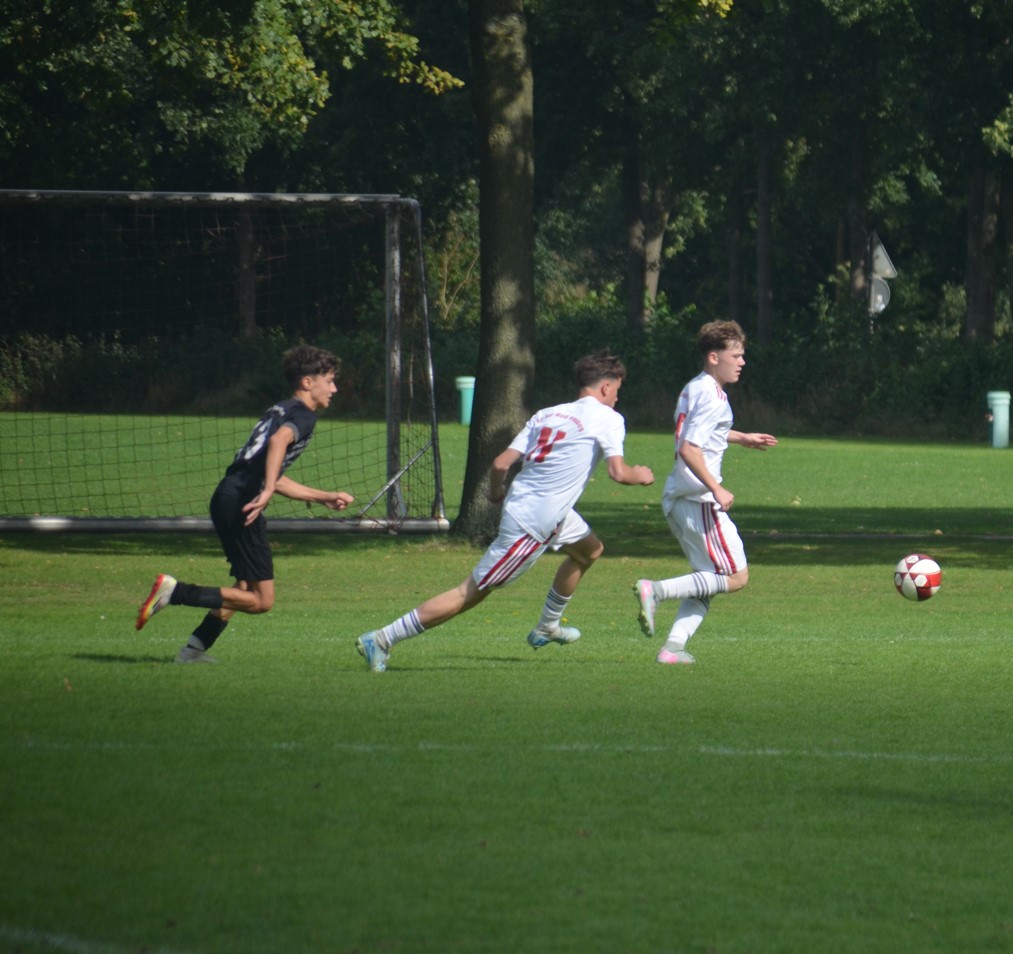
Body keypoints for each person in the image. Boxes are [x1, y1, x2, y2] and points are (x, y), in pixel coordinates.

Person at [356, 350, 655, 672]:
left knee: (589, 550)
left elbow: (500, 464)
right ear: (606, 387)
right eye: (617, 390)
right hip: (535, 522)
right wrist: (640, 475)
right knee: (471, 592)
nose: (617, 398)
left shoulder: (547, 414)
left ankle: (547, 626)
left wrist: (495, 490)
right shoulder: (609, 418)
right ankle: (382, 638)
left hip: (534, 506)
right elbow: (618, 473)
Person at [135, 345, 355, 663]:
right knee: (261, 600)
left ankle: (194, 650)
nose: (334, 389)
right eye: (330, 381)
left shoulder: (279, 409)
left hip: (227, 497)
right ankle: (176, 591)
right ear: (308, 382)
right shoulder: (304, 416)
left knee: (242, 586)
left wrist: (323, 496)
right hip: (242, 503)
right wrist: (266, 491)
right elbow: (278, 444)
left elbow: (271, 474)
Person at [634, 320, 777, 664]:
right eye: (736, 355)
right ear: (714, 357)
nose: (742, 362)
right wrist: (717, 488)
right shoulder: (712, 396)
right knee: (736, 577)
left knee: (708, 580)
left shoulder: (696, 387)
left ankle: (673, 648)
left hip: (681, 498)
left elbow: (703, 431)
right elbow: (689, 447)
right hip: (699, 499)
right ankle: (656, 591)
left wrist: (741, 437)